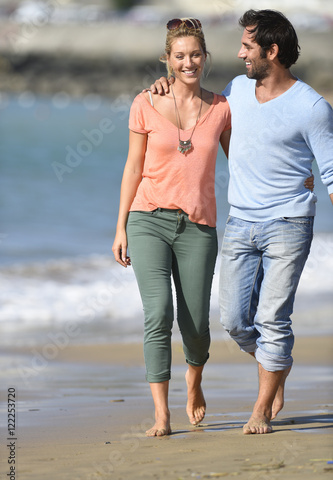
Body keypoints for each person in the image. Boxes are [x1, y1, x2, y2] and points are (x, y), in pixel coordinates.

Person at [149, 9, 333, 435]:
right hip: (240, 222)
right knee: (234, 321)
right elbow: (198, 111)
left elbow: (330, 173)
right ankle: (276, 362)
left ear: (272, 50)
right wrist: (161, 85)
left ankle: (262, 408)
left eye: (247, 46)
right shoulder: (234, 92)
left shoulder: (312, 108)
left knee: (273, 318)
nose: (239, 53)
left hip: (289, 221)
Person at [112, 18, 231, 437]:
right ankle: (161, 414)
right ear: (167, 60)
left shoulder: (221, 108)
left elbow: (247, 161)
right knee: (158, 313)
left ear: (206, 58)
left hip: (199, 227)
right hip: (148, 219)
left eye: (195, 55)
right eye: (179, 56)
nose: (188, 62)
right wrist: (121, 225)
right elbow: (132, 167)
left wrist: (301, 178)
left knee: (196, 324)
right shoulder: (145, 102)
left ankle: (193, 383)